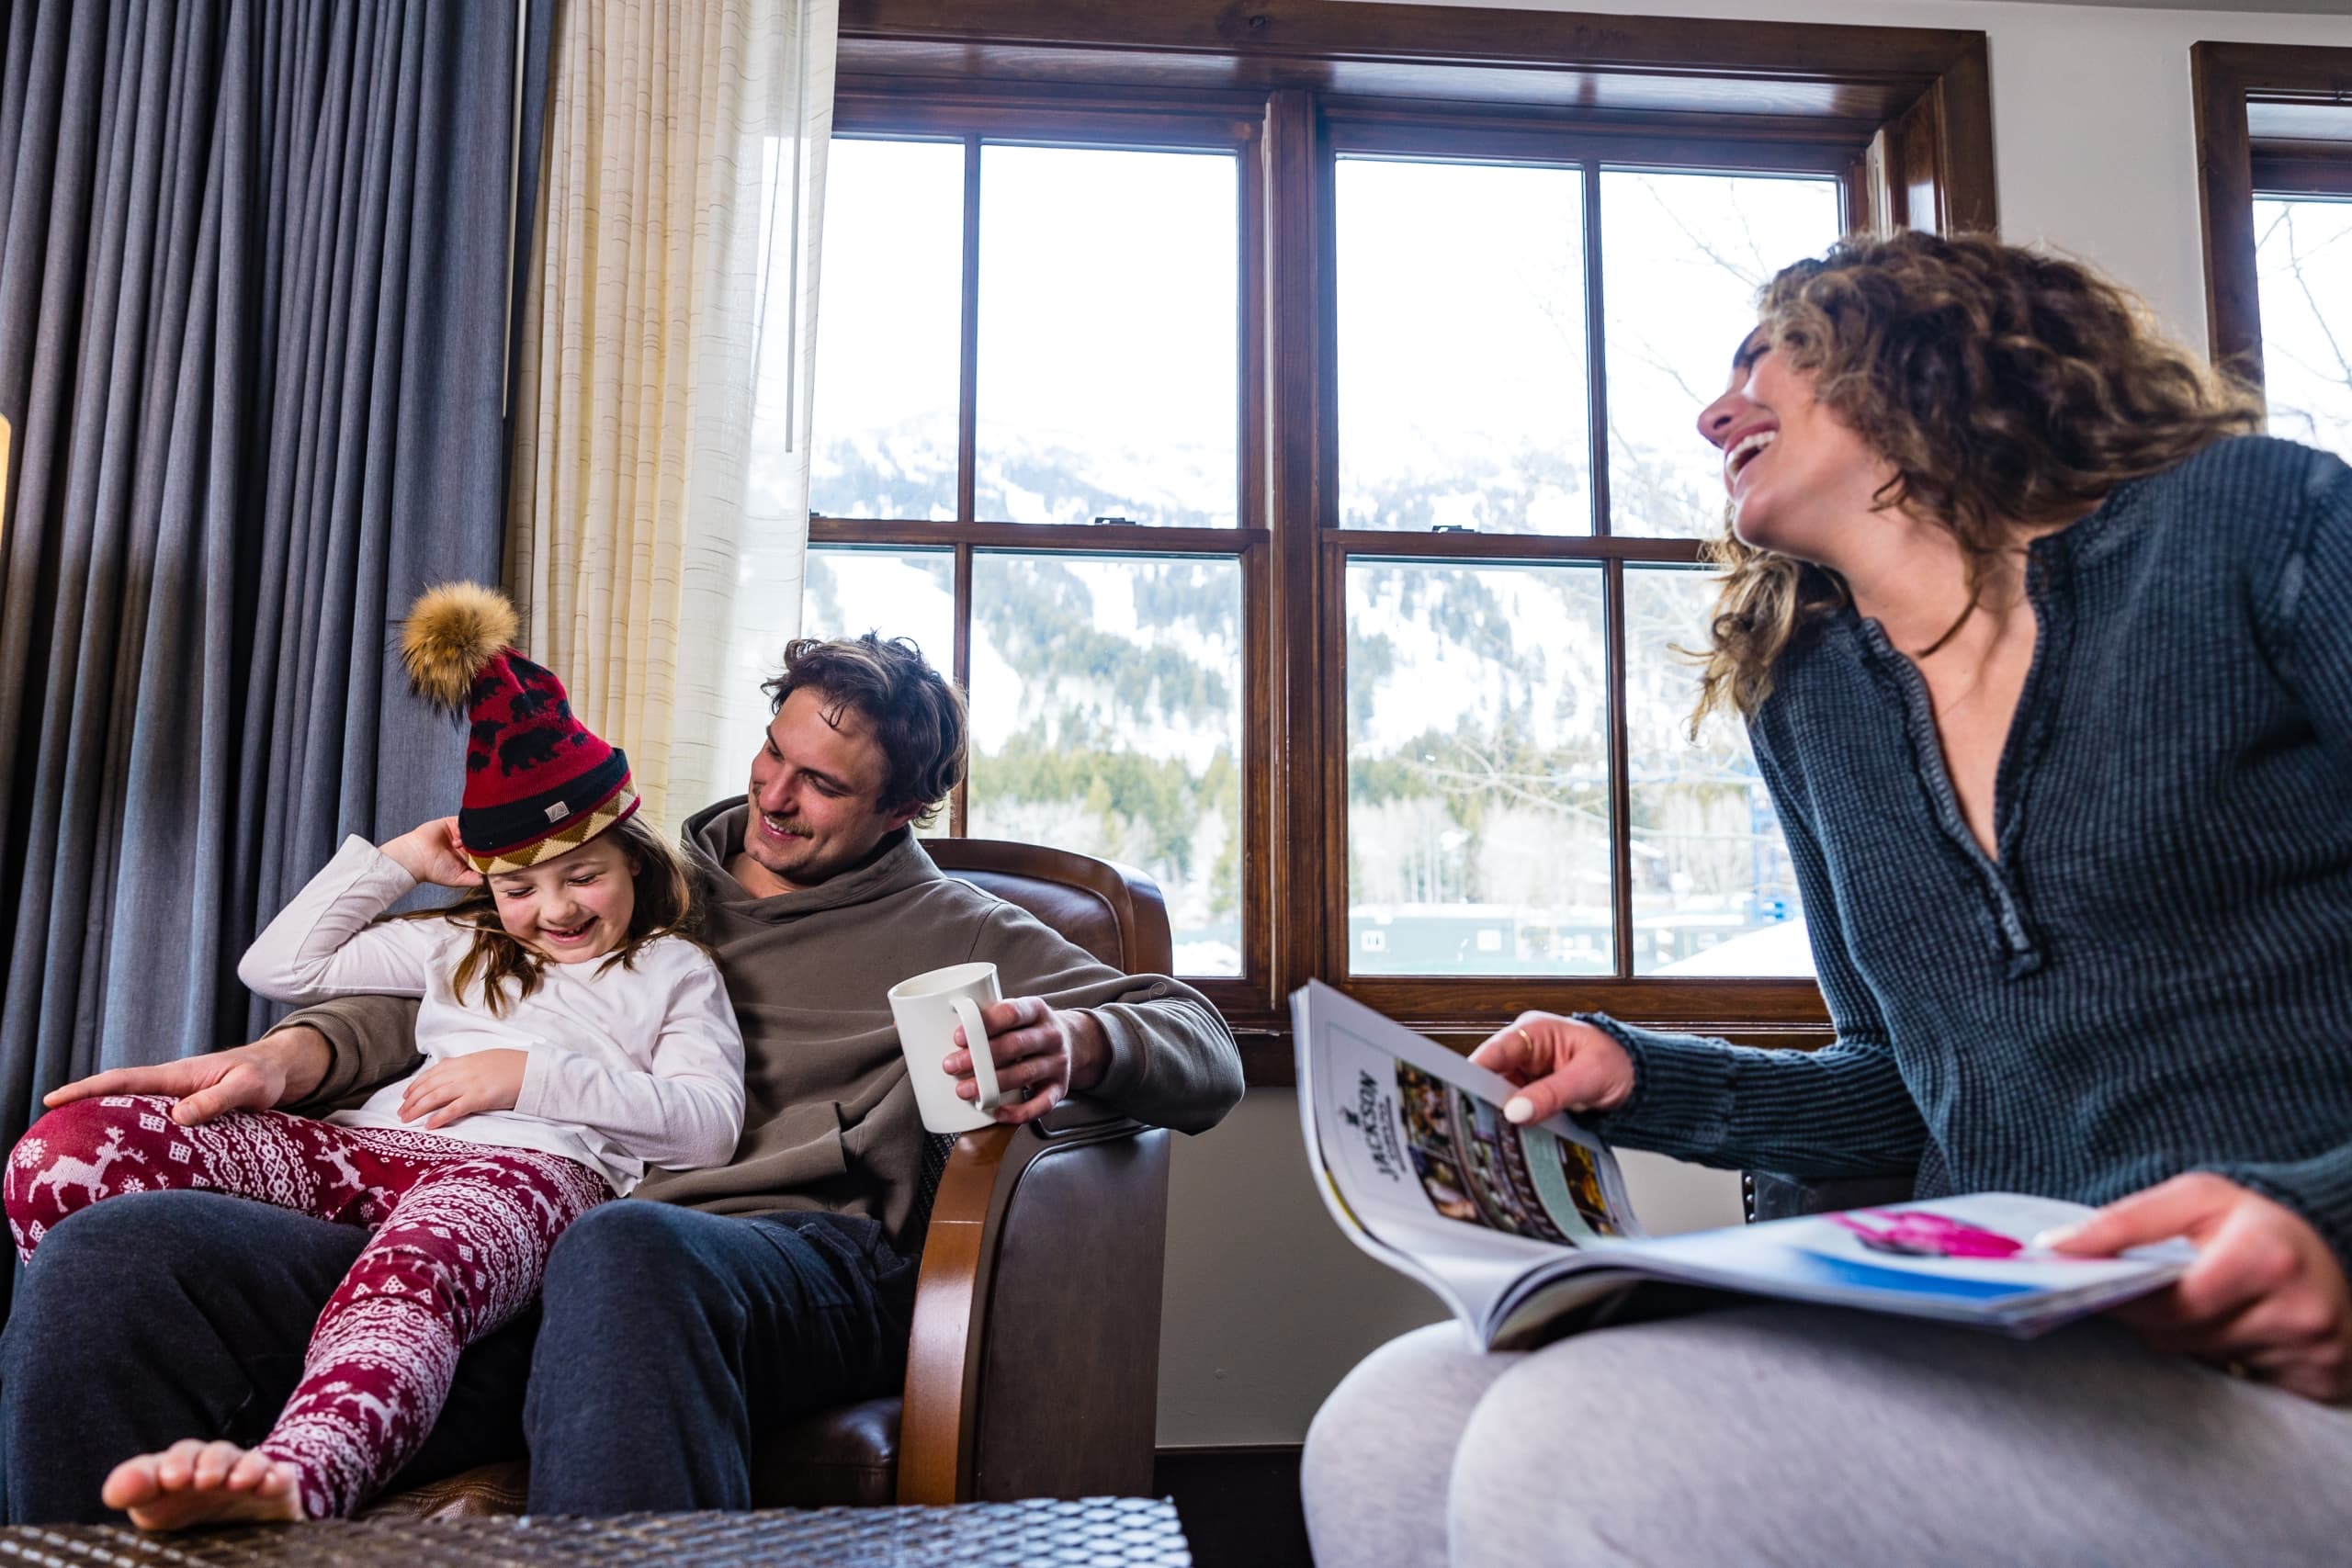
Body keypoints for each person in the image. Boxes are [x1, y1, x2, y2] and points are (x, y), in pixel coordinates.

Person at [1302, 231, 2352, 1566]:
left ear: (1924, 346)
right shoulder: (1812, 699)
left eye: (1768, 356)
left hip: (2280, 1331)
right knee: (1387, 1421)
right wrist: (1640, 1075)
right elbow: (1905, 1083)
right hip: (2021, 1316)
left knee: (1577, 1440)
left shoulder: (2255, 521)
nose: (1715, 408)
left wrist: (2320, 1215)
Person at [2, 629, 1245, 1523]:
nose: (775, 793)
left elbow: (1201, 1042)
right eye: (773, 753)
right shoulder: (633, 872)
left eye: (822, 782)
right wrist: (299, 1049)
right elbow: (448, 994)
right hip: (515, 1221)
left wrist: (1078, 1041)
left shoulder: (962, 926)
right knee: (115, 1252)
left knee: (626, 1247)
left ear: (908, 801)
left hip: (778, 1256)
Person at [5, 582, 745, 1527]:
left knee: (417, 1272)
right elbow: (279, 962)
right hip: (363, 1150)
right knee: (68, 1151)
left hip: (528, 1175)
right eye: (520, 887)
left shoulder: (672, 968)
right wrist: (399, 858)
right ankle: (99, 1411)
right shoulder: (463, 946)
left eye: (583, 877)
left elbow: (709, 1123)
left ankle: (296, 1478)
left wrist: (528, 1077)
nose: (555, 910)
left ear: (632, 859)